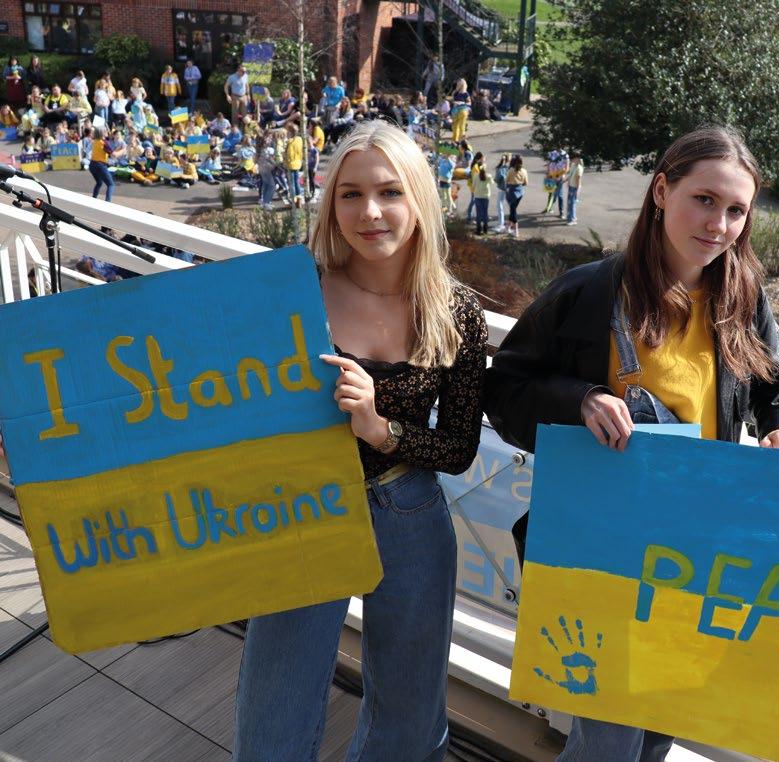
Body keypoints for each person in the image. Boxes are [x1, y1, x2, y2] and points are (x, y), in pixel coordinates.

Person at [483, 126, 779, 760]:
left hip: (693, 551)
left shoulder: (741, 298)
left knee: (659, 727)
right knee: (608, 739)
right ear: (662, 191)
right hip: (603, 548)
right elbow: (505, 387)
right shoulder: (590, 292)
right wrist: (579, 400)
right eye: (704, 199)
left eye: (736, 210)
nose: (719, 224)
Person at [234, 119, 487, 761]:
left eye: (389, 192)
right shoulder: (294, 290)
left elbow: (459, 448)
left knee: (409, 719)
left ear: (420, 199)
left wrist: (380, 428)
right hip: (305, 510)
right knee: (275, 714)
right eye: (351, 194)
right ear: (331, 204)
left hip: (409, 511)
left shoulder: (455, 310)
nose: (370, 212)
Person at [89, 124, 116, 202]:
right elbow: (114, 155)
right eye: (105, 131)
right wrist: (123, 150)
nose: (107, 132)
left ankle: (94, 198)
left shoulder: (95, 141)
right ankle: (107, 202)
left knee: (99, 182)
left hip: (92, 165)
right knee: (111, 184)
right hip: (100, 165)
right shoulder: (104, 143)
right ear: (102, 133)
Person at [504, 154, 528, 238]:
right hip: (520, 192)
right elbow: (526, 183)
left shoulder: (511, 170)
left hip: (511, 192)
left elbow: (506, 180)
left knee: (513, 210)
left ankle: (516, 230)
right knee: (513, 209)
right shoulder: (524, 171)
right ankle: (507, 227)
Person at [472, 165, 494, 235]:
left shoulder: (476, 176)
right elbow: (492, 183)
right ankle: (485, 229)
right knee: (485, 212)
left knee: (478, 213)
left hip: (477, 196)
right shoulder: (488, 176)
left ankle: (478, 229)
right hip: (486, 196)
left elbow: (473, 186)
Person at [564, 151, 584, 225]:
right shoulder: (573, 165)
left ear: (577, 158)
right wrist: (564, 181)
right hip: (570, 186)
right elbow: (570, 175)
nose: (571, 160)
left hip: (575, 188)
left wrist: (577, 191)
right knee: (569, 203)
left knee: (572, 204)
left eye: (573, 159)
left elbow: (578, 180)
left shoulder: (579, 168)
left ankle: (573, 220)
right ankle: (570, 217)